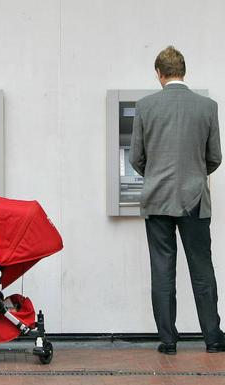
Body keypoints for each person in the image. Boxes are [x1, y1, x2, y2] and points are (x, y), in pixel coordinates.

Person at [130, 45, 225, 355]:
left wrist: (156, 175)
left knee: (162, 269)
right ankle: (213, 338)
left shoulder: (145, 107)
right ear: (184, 71)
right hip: (194, 198)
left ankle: (168, 341)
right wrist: (195, 175)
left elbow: (136, 158)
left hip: (157, 198)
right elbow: (215, 158)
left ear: (159, 74)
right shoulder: (207, 107)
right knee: (201, 268)